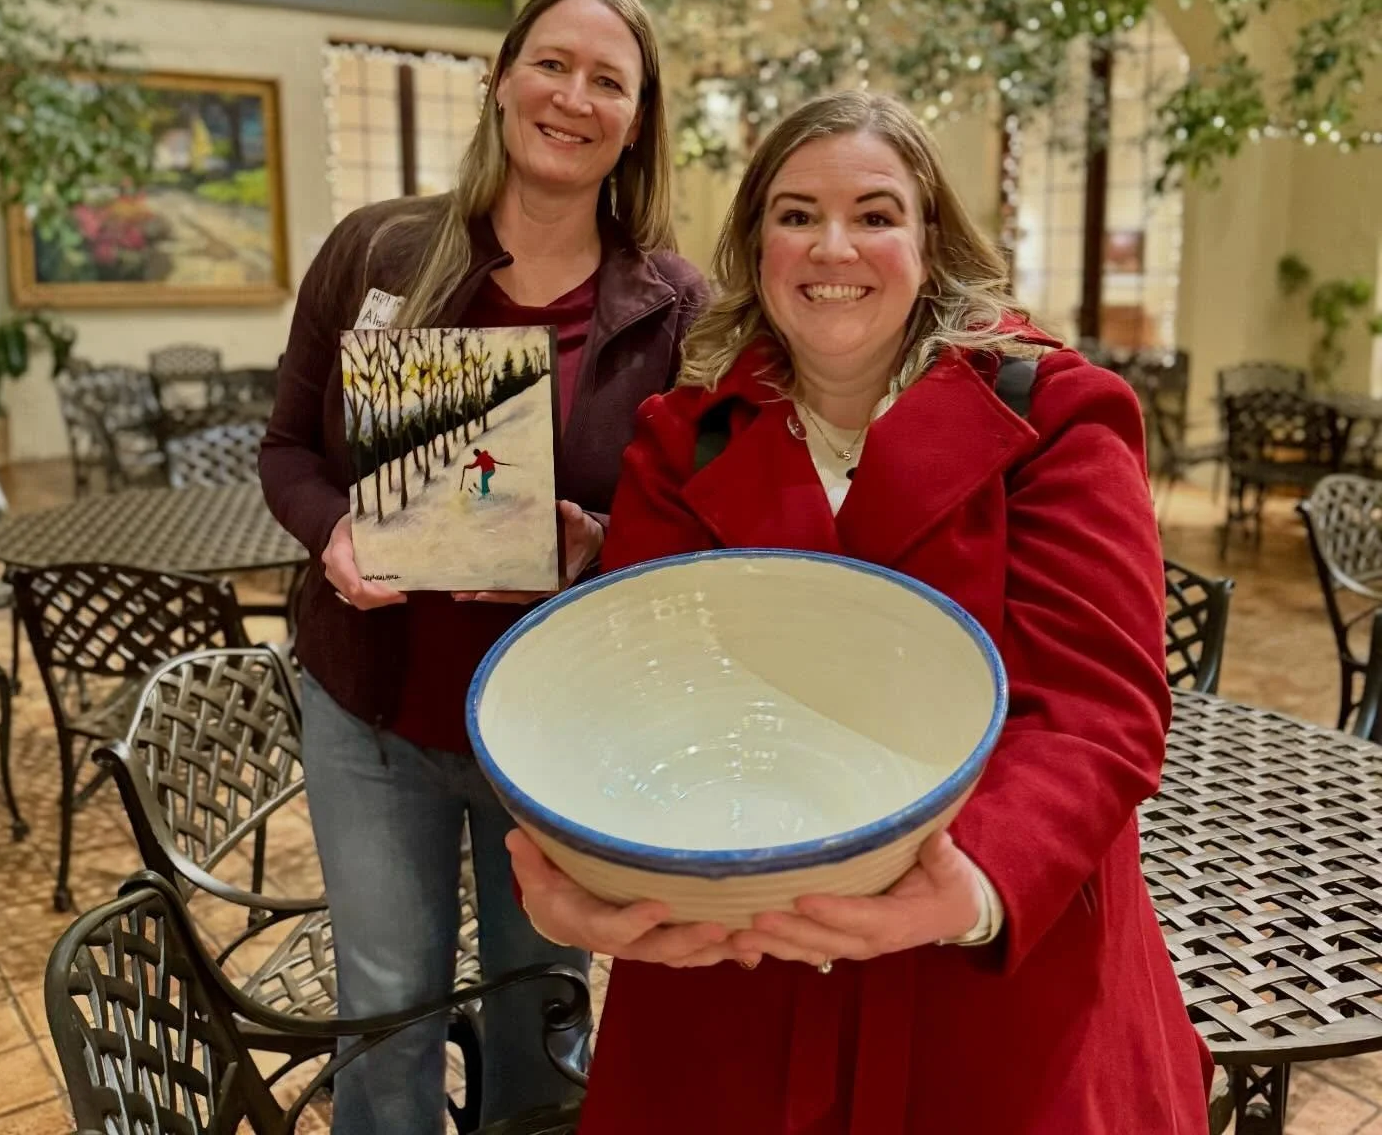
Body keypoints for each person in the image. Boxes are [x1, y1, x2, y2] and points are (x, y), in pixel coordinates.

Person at [508, 90, 1213, 1134]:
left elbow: (1096, 713)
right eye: (795, 214)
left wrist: (970, 889)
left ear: (931, 242)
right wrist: (583, 880)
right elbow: (632, 703)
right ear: (755, 245)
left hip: (990, 970)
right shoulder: (681, 440)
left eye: (876, 214)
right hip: (734, 965)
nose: (832, 246)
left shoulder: (1056, 418)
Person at [258, 0, 709, 1135]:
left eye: (610, 79)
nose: (574, 95)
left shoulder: (676, 309)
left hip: (555, 729)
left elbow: (702, 531)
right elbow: (285, 454)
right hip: (372, 708)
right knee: (390, 1013)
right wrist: (335, 531)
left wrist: (600, 544)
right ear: (500, 80)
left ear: (640, 117)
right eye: (552, 63)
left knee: (543, 1010)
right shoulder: (379, 255)